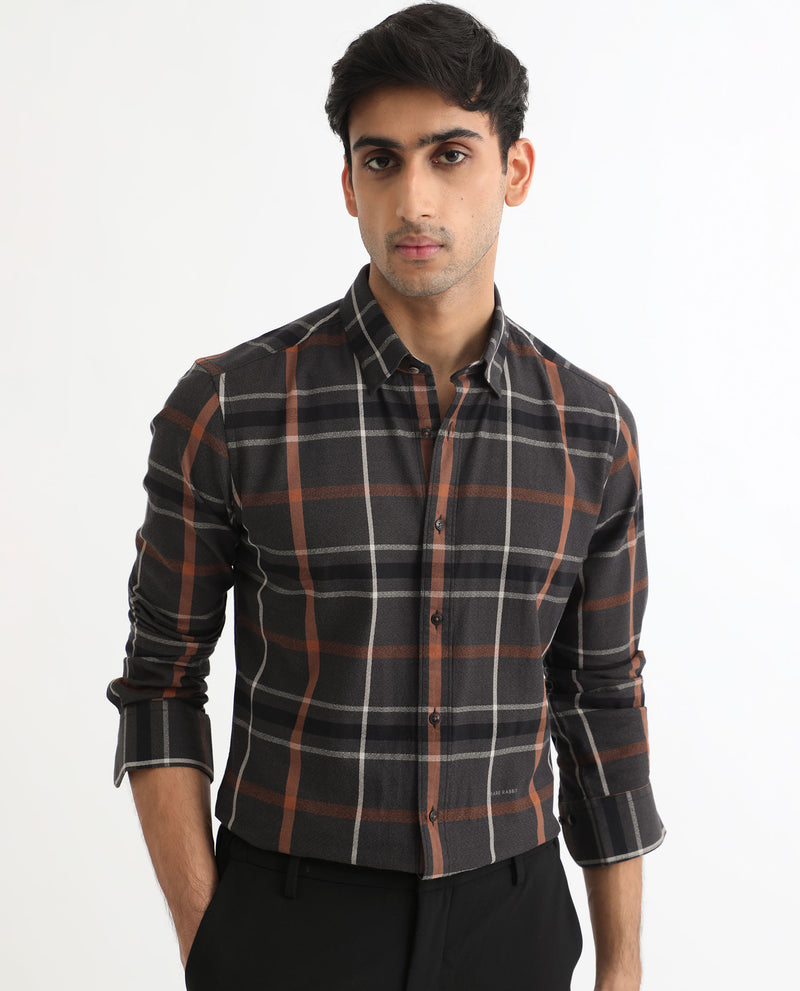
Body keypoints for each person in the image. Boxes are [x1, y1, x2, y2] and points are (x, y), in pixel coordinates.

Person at [107, 4, 664, 989]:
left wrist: (621, 966)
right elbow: (160, 683)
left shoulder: (590, 431)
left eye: (450, 155)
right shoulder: (230, 409)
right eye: (381, 160)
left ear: (515, 170)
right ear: (348, 184)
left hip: (513, 917)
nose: (413, 198)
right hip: (290, 920)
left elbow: (602, 702)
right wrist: (210, 940)